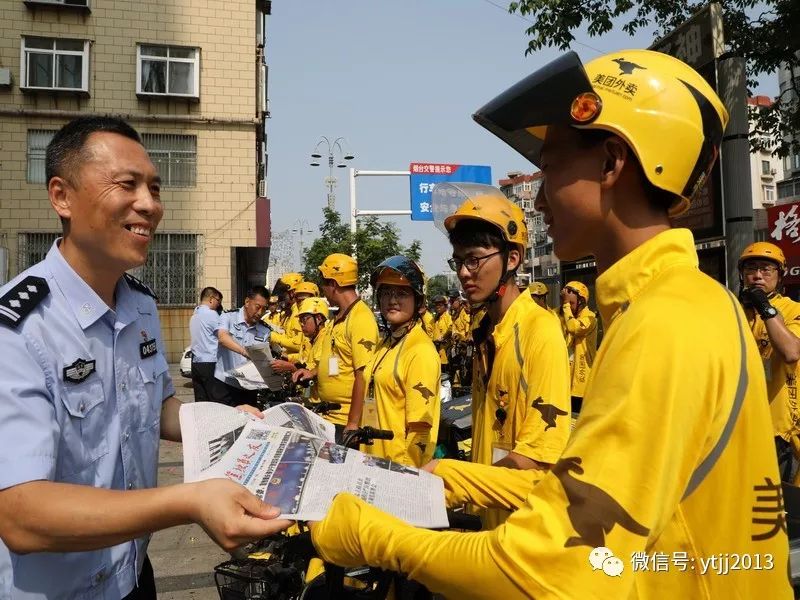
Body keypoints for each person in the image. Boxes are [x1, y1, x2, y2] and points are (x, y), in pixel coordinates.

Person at [310, 50, 790, 598]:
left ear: (612, 162)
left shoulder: (664, 321)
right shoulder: (685, 301)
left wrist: (365, 533)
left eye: (554, 165)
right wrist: (448, 479)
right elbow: (591, 491)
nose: (537, 198)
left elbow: (552, 569)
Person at [0, 117, 287, 599]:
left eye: (154, 188)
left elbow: (155, 407)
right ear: (61, 196)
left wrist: (226, 421)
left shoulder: (139, 304)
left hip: (132, 573)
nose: (150, 205)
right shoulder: (19, 328)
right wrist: (191, 501)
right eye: (127, 185)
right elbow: (21, 515)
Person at [360, 256, 441, 467]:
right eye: (386, 292)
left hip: (396, 468)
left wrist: (406, 477)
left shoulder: (419, 351)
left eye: (402, 293)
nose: (392, 299)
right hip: (374, 460)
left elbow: (420, 430)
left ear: (419, 301)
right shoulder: (387, 343)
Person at [293, 253, 379, 440]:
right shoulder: (337, 318)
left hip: (344, 419)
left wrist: (353, 424)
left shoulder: (361, 319)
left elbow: (363, 375)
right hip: (329, 415)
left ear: (333, 284)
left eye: (324, 283)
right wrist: (313, 372)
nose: (323, 290)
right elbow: (336, 360)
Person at [738, 241, 800, 478]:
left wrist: (764, 306)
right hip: (740, 424)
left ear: (780, 275)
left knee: (779, 505)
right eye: (750, 269)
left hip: (780, 430)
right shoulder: (733, 310)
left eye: (766, 269)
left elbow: (791, 351)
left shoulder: (792, 309)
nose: (757, 276)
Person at [211, 285, 272, 407]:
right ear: (247, 302)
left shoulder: (265, 330)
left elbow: (262, 358)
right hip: (224, 385)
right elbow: (222, 338)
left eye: (264, 309)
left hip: (249, 388)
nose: (260, 313)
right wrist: (245, 352)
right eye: (257, 307)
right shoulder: (228, 317)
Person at [559, 281, 598, 414]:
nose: (568, 307)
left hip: (582, 378)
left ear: (581, 301)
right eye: (567, 304)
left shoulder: (591, 318)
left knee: (578, 417)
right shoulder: (566, 316)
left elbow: (574, 328)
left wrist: (565, 305)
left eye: (571, 304)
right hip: (567, 378)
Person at [189, 286, 223, 402]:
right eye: (218, 301)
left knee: (201, 401)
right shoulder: (212, 315)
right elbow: (223, 336)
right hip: (210, 363)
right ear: (211, 299)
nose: (219, 304)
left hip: (196, 363)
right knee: (215, 401)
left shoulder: (194, 315)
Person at [431, 295, 453, 372]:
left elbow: (451, 328)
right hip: (437, 347)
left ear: (445, 306)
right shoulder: (436, 318)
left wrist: (443, 337)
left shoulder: (447, 316)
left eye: (440, 305)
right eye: (436, 305)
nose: (437, 307)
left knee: (446, 369)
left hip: (445, 347)